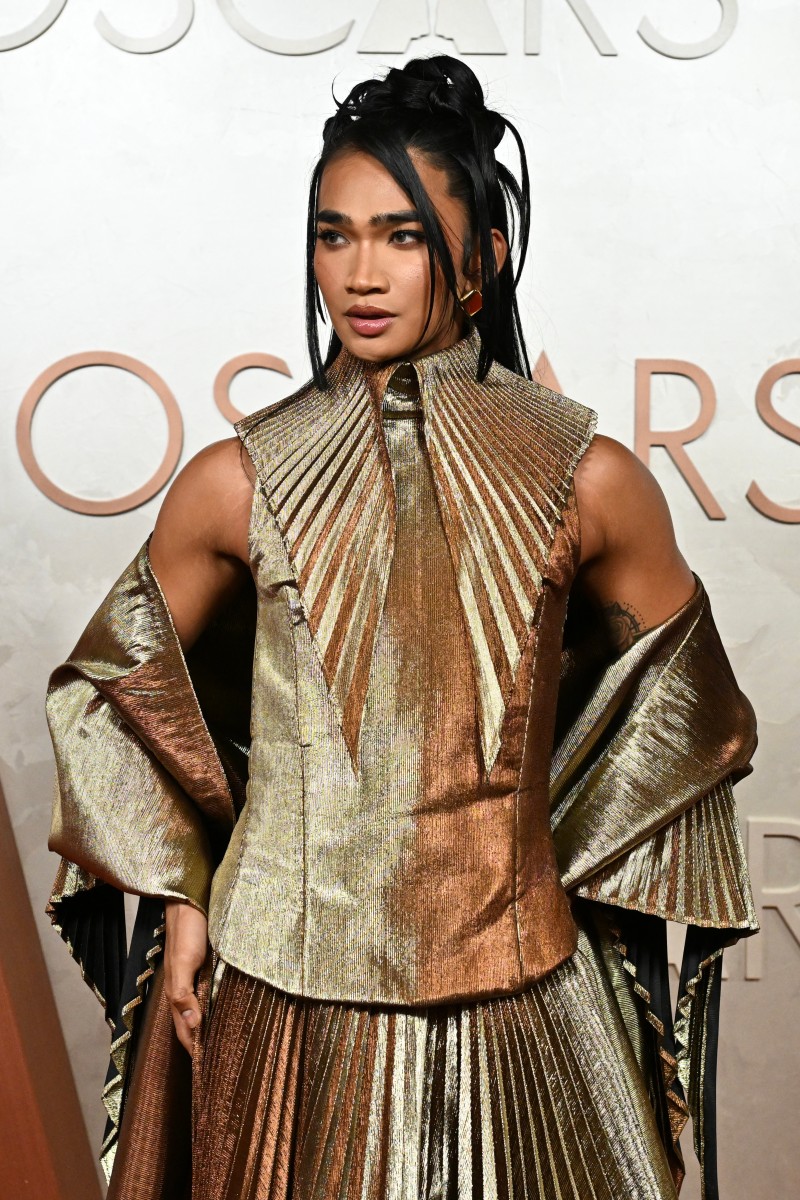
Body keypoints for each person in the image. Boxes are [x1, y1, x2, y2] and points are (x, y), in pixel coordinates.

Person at [45, 56, 758, 1200]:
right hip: (280, 1008)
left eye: (403, 236)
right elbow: (109, 694)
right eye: (334, 236)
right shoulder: (235, 480)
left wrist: (548, 881)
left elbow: (690, 725)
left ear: (480, 258)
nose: (360, 273)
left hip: (526, 1005)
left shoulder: (589, 480)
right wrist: (181, 895)